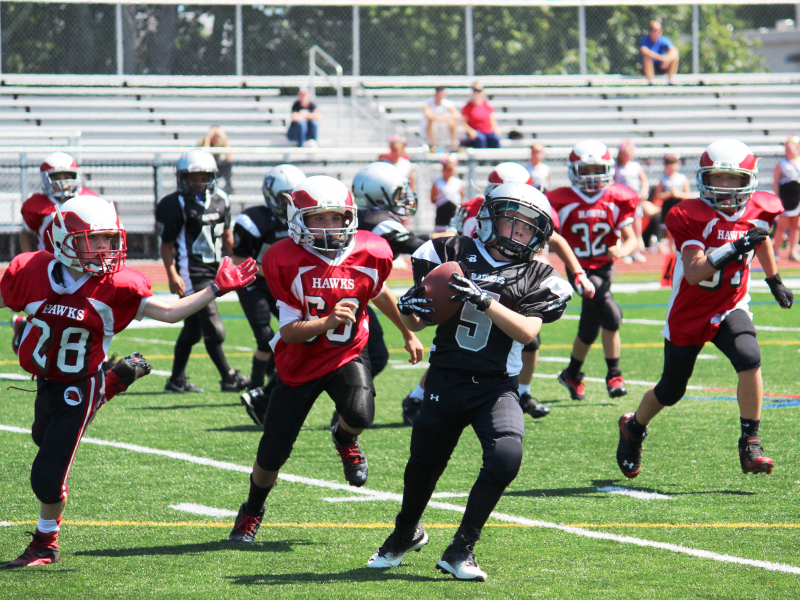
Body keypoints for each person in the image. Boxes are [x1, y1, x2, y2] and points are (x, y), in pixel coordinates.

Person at [0, 193, 257, 567]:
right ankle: (113, 384)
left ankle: (45, 543)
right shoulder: (31, 269)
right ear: (62, 238)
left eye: (109, 238)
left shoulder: (116, 285)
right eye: (95, 239)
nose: (105, 247)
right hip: (44, 380)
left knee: (46, 477)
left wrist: (214, 289)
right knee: (42, 438)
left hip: (79, 384)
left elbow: (169, 313)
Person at [366, 182, 572, 581]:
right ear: (489, 218)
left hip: (496, 384)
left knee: (507, 456)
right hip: (445, 377)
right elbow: (418, 322)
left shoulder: (539, 275)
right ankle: (404, 534)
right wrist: (411, 308)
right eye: (511, 222)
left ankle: (462, 548)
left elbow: (527, 332)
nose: (518, 234)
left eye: (528, 228)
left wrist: (484, 299)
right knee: (423, 467)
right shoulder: (447, 253)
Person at [227, 176, 423, 544]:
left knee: (361, 414)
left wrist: (406, 331)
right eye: (320, 218)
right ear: (298, 220)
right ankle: (251, 510)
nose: (331, 226)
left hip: (347, 351)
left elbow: (378, 292)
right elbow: (288, 332)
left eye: (338, 217)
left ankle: (344, 438)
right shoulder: (284, 258)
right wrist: (329, 321)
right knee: (274, 450)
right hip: (299, 362)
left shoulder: (371, 251)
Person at [616, 140, 793, 480]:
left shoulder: (760, 207)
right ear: (703, 178)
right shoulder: (689, 214)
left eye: (733, 179)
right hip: (689, 311)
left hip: (730, 304)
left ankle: (750, 440)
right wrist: (734, 245)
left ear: (749, 180)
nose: (725, 186)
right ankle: (634, 427)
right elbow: (695, 273)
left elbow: (762, 236)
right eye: (719, 178)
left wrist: (774, 280)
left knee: (749, 355)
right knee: (672, 389)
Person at [403, 162, 595, 425]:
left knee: (527, 341)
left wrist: (578, 272)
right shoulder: (472, 210)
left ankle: (523, 393)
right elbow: (452, 237)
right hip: (465, 277)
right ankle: (418, 395)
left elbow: (554, 238)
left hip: (510, 279)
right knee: (455, 344)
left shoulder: (531, 212)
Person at [546, 140, 639, 400]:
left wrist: (622, 250)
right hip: (579, 269)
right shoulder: (559, 199)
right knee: (611, 314)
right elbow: (550, 237)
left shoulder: (617, 196)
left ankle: (572, 373)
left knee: (589, 327)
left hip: (606, 268)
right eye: (584, 170)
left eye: (596, 169)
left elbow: (632, 238)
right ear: (573, 171)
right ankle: (614, 374)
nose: (590, 176)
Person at [156, 148, 250, 393]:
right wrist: (172, 273)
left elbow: (227, 235)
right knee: (214, 328)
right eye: (192, 177)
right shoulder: (173, 204)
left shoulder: (221, 198)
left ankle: (175, 380)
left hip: (215, 270)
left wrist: (239, 261)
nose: (198, 182)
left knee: (192, 329)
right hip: (191, 272)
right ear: (182, 178)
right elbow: (166, 245)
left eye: (203, 176)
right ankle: (228, 377)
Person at [232, 164, 306, 411]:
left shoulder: (307, 217)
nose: (288, 204)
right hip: (254, 282)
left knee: (296, 334)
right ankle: (256, 384)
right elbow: (239, 259)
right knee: (265, 337)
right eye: (282, 198)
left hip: (284, 283)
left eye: (292, 198)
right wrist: (272, 272)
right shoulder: (253, 220)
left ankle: (268, 383)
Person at [19, 152, 99, 254]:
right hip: (49, 262)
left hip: (83, 260)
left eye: (67, 177)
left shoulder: (89, 199)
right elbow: (26, 234)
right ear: (46, 179)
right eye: (56, 178)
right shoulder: (38, 205)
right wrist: (27, 257)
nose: (63, 183)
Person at [615, 140, 653, 262]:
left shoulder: (636, 166)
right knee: (623, 226)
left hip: (635, 200)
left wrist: (643, 193)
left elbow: (644, 181)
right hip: (622, 200)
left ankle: (635, 252)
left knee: (637, 227)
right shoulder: (616, 167)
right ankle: (625, 252)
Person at [771, 135, 800, 261]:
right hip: (786, 198)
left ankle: (793, 250)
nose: (788, 150)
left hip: (797, 198)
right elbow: (776, 181)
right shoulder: (782, 163)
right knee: (782, 226)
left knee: (796, 225)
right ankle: (775, 250)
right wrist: (778, 199)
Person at [653, 153, 691, 247]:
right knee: (669, 230)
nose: (671, 166)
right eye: (669, 163)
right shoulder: (663, 179)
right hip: (668, 207)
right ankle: (672, 250)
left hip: (679, 207)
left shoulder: (682, 178)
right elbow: (658, 196)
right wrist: (669, 194)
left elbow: (688, 195)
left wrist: (677, 194)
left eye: (673, 163)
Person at [461, 82, 501, 149]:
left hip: (487, 131)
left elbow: (491, 119)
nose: (477, 93)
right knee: (481, 139)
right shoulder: (468, 106)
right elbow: (464, 122)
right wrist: (471, 131)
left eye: (479, 91)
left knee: (495, 139)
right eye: (475, 90)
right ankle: (482, 159)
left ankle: (497, 159)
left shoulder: (486, 104)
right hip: (476, 132)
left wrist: (496, 128)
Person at [420, 86, 460, 152]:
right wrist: (446, 118)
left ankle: (453, 146)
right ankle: (433, 146)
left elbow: (457, 115)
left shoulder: (448, 103)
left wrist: (439, 118)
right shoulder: (428, 103)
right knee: (430, 122)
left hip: (444, 127)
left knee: (453, 123)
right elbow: (429, 116)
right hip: (431, 128)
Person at [639, 20, 679, 85]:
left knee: (675, 57)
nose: (656, 32)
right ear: (650, 31)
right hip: (650, 68)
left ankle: (670, 81)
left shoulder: (663, 39)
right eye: (653, 30)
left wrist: (667, 59)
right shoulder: (645, 41)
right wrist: (661, 58)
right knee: (647, 58)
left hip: (663, 66)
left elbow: (674, 50)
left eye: (658, 30)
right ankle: (651, 83)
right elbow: (644, 51)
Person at [431, 155, 464, 232]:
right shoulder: (437, 182)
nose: (449, 172)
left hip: (454, 214)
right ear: (443, 170)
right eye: (447, 170)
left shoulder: (458, 182)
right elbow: (432, 199)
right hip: (442, 214)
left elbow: (461, 197)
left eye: (451, 170)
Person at [198, 125, 233, 195]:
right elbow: (206, 156)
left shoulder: (219, 143)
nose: (215, 137)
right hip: (205, 168)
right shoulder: (202, 142)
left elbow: (229, 157)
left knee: (227, 164)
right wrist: (208, 138)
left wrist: (224, 137)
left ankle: (229, 188)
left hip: (216, 167)